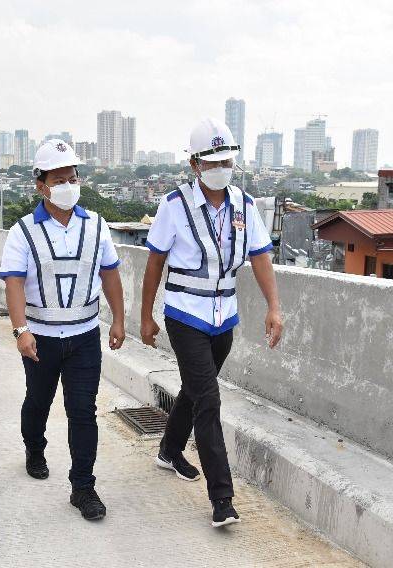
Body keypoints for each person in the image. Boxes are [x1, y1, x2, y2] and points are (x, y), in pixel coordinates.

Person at [140, 118, 283, 528]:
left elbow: (259, 257)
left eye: (227, 159)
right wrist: (145, 316)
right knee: (209, 400)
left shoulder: (245, 205)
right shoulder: (174, 206)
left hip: (224, 320)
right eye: (213, 159)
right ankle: (222, 499)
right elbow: (154, 263)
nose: (222, 166)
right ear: (195, 163)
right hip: (185, 315)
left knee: (195, 390)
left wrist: (274, 307)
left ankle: (168, 450)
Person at [0, 139, 126, 521]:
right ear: (41, 185)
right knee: (38, 401)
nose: (68, 185)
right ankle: (34, 446)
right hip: (42, 336)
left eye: (73, 177)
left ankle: (83, 487)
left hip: (85, 336)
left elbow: (110, 274)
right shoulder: (24, 231)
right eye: (59, 179)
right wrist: (21, 330)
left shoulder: (97, 226)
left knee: (83, 411)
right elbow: (14, 283)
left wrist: (119, 319)